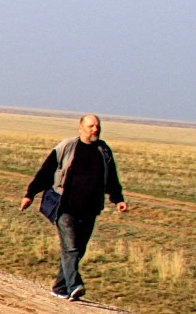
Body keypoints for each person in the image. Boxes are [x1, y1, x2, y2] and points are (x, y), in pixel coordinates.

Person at [21, 114, 129, 301]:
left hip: (90, 208)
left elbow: (111, 177)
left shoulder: (103, 150)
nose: (95, 129)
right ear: (81, 128)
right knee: (70, 247)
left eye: (97, 126)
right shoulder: (67, 147)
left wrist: (118, 198)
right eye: (90, 126)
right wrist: (30, 194)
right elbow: (45, 172)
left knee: (78, 250)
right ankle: (75, 285)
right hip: (65, 207)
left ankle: (60, 287)